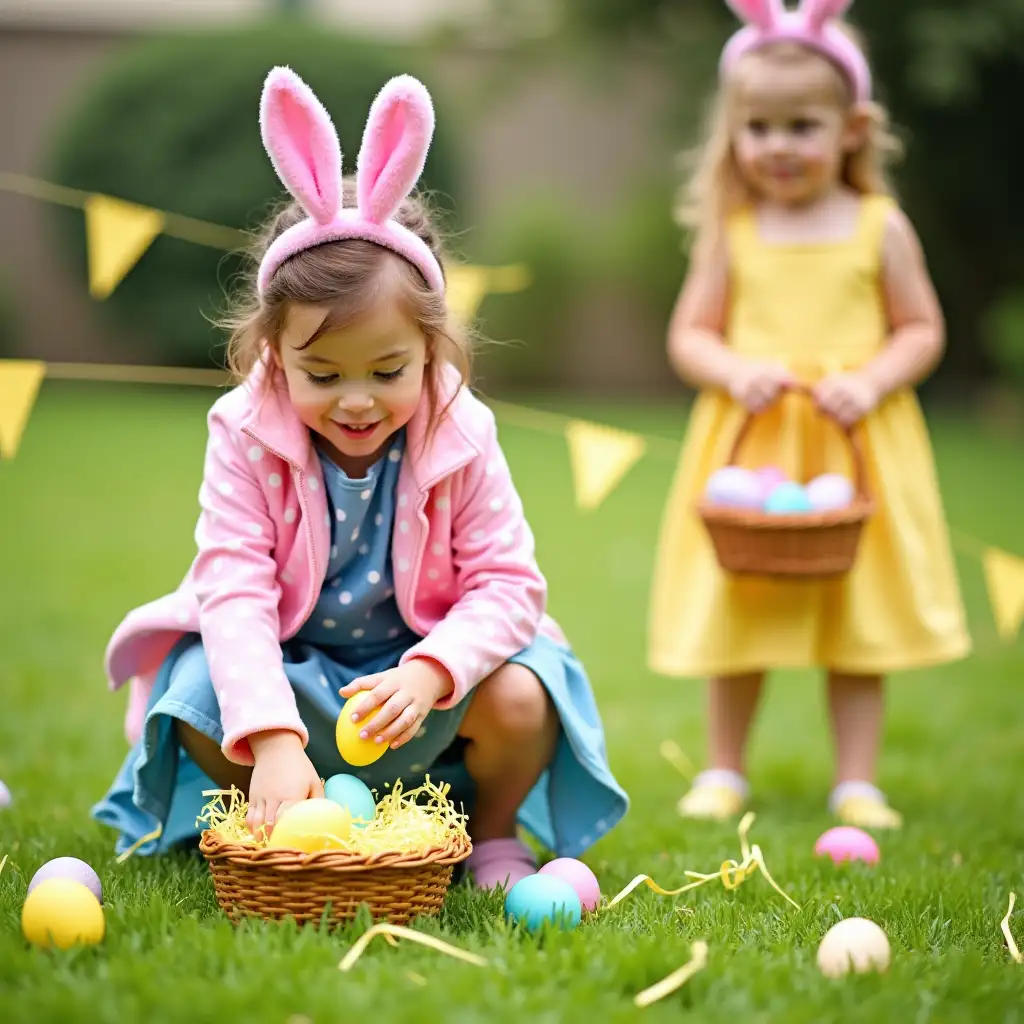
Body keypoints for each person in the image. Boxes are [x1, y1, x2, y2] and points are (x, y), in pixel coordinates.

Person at [92, 67, 628, 888]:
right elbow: (232, 586)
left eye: (387, 371)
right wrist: (271, 737)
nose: (355, 401)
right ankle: (273, 817)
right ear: (275, 355)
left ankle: (490, 837)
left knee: (523, 693)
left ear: (432, 351)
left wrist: (434, 669)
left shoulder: (462, 432)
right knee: (196, 693)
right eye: (322, 373)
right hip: (296, 669)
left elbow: (509, 585)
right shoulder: (243, 430)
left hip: (421, 670)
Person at [648, 0, 970, 829]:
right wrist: (736, 369)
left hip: (850, 447)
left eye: (802, 125)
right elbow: (690, 334)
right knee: (743, 609)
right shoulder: (735, 230)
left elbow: (921, 328)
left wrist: (871, 380)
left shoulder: (878, 227)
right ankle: (725, 769)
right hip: (754, 450)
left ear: (853, 128)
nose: (779, 145)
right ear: (733, 132)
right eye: (758, 127)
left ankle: (856, 781)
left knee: (852, 617)